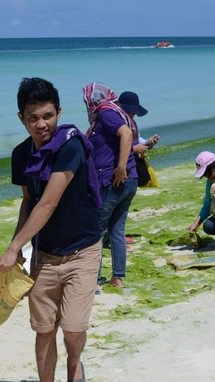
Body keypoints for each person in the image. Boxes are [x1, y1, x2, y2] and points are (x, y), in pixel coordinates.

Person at [0, 77, 102, 382]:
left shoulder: (70, 146)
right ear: (21, 118)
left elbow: (48, 203)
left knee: (72, 327)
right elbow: (28, 203)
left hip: (82, 250)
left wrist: (13, 248)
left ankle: (75, 365)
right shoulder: (20, 155)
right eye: (33, 117)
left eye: (47, 115)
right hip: (45, 254)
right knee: (44, 330)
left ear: (58, 112)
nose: (41, 124)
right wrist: (20, 249)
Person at [82, 83, 138, 289]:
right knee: (116, 229)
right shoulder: (114, 113)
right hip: (128, 181)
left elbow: (126, 134)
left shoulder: (105, 112)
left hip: (114, 181)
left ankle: (94, 280)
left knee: (95, 230)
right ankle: (117, 277)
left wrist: (120, 167)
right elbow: (125, 139)